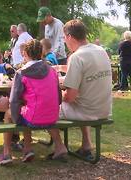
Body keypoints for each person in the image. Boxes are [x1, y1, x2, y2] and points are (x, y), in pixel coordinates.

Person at [0, 39, 66, 165]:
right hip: (53, 116)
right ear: (41, 53)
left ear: (25, 54)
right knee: (28, 109)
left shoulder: (21, 73)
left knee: (10, 114)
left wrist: (17, 120)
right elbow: (58, 96)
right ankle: (58, 146)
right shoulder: (52, 71)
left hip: (34, 118)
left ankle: (7, 153)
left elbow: (13, 101)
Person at [61, 19, 112, 159]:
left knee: (46, 106)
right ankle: (86, 145)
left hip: (87, 112)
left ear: (70, 36)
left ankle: (59, 146)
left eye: (64, 37)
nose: (64, 41)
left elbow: (69, 97)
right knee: (82, 98)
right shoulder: (101, 50)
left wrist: (59, 93)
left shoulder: (77, 57)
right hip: (104, 109)